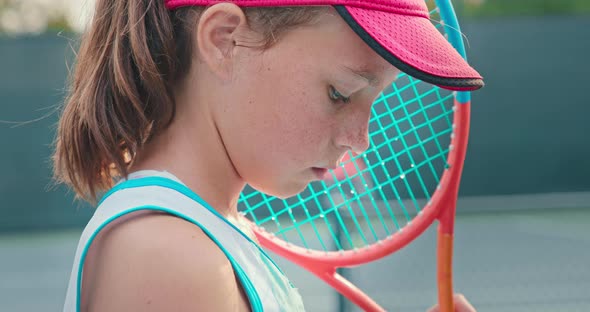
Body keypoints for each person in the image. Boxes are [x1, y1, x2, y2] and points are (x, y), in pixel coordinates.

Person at [54, 0, 483, 311]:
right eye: (341, 94)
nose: (360, 138)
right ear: (225, 40)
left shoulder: (205, 233)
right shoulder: (167, 256)